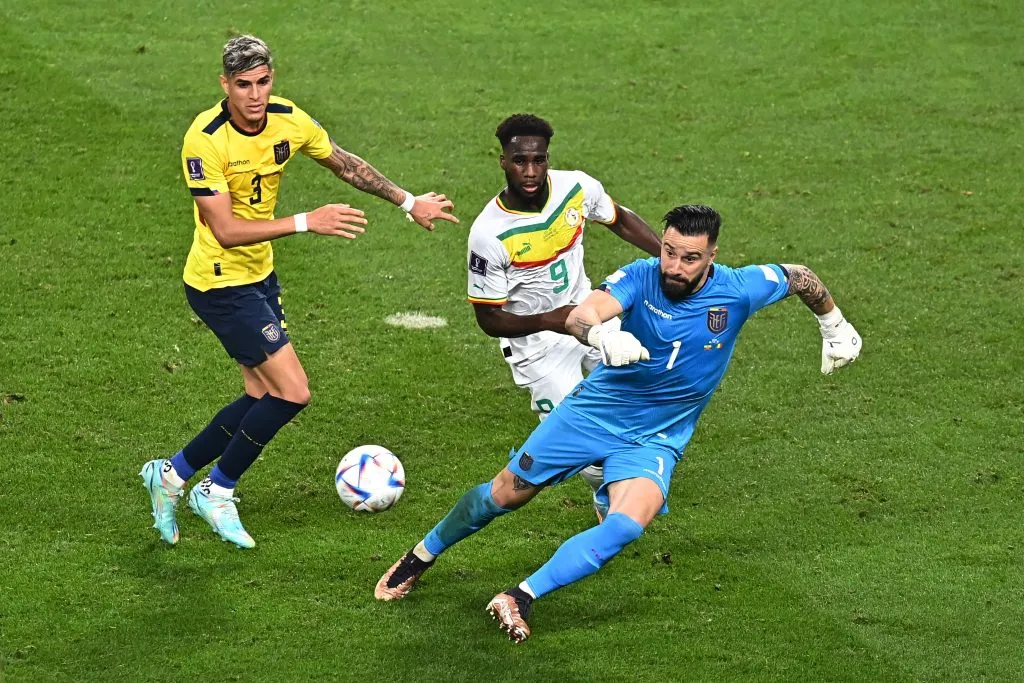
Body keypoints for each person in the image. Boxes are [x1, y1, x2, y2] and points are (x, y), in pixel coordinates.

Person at [375, 204, 862, 642]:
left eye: (689, 258)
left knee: (628, 524)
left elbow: (799, 275)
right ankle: (421, 555)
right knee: (505, 494)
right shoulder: (641, 275)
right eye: (669, 251)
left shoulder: (738, 290)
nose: (673, 265)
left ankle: (519, 596)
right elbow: (585, 313)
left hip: (657, 435)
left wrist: (834, 325)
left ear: (712, 255)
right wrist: (601, 334)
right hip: (594, 412)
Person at [140, 35, 458, 549]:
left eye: (262, 82)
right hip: (220, 282)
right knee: (293, 391)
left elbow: (343, 162)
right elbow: (223, 229)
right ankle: (216, 491)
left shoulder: (289, 118)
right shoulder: (205, 139)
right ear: (225, 85)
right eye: (242, 85)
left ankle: (172, 476)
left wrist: (407, 201)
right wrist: (308, 221)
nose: (254, 94)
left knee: (261, 394)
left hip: (258, 276)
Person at [467, 114, 661, 515]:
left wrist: (667, 259)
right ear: (503, 161)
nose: (531, 171)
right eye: (520, 161)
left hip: (593, 316)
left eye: (539, 160)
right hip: (537, 348)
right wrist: (552, 319)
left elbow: (619, 217)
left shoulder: (577, 187)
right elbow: (489, 319)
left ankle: (630, 489)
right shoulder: (489, 233)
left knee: (639, 399)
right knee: (581, 448)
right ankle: (606, 497)